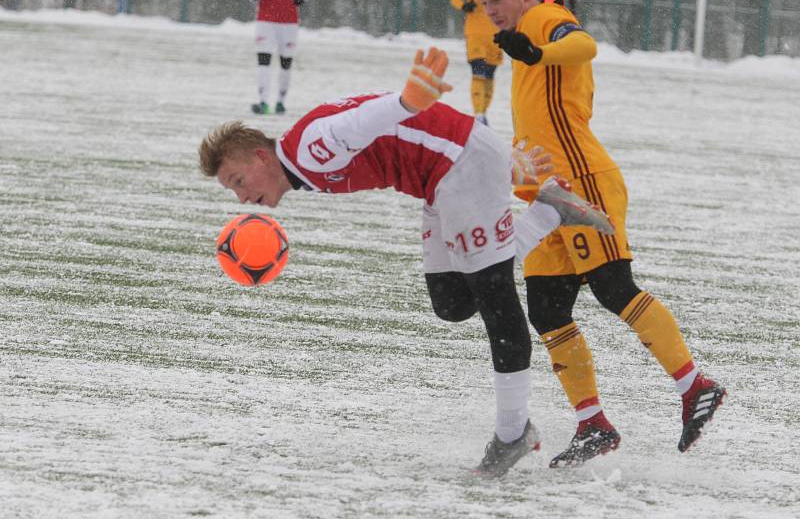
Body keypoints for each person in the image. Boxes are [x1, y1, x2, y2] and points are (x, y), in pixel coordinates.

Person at [199, 47, 615, 477]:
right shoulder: (301, 153)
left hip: (459, 167)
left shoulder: (307, 151)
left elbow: (361, 121)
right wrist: (499, 159)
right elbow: (385, 124)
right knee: (453, 303)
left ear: (260, 157)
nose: (243, 198)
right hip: (442, 177)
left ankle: (513, 435)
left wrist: (407, 101)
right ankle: (549, 210)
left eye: (238, 181)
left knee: (497, 300)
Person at [469, 0, 725, 467]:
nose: (491, 11)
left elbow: (584, 45)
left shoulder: (544, 18)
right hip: (546, 196)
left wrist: (537, 52)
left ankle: (695, 384)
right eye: (483, 3)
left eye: (496, 0)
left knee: (613, 288)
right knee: (546, 309)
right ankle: (593, 424)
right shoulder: (521, 34)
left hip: (583, 182)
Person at [246, 0, 313, 116]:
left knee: (285, 60)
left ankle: (281, 101)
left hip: (288, 19)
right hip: (265, 18)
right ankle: (263, 101)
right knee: (264, 58)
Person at [449, 0, 502, 127]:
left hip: (497, 31)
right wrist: (464, 6)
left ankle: (483, 112)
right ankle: (478, 114)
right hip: (475, 31)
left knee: (489, 75)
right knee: (478, 71)